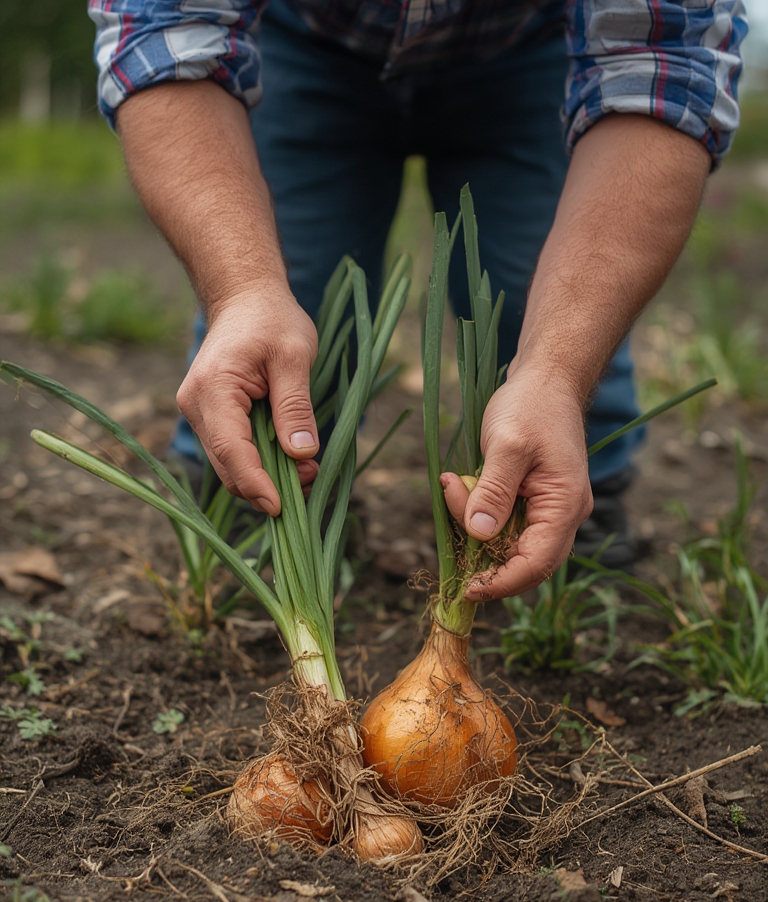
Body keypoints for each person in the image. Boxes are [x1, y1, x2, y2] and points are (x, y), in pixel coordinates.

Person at [87, 0, 746, 600]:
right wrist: (244, 289)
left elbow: (660, 65)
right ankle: (258, 512)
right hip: (307, 37)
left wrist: (558, 371)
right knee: (295, 305)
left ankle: (575, 513)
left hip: (529, 49)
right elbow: (167, 31)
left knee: (531, 303)